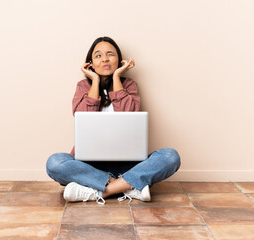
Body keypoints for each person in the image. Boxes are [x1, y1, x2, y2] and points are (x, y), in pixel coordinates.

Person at [46, 36, 180, 205]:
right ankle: (129, 187)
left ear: (119, 60)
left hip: (128, 164)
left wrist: (117, 77)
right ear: (90, 63)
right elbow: (83, 116)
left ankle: (98, 191)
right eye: (98, 55)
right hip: (88, 166)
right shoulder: (83, 86)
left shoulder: (129, 85)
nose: (105, 59)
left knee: (170, 156)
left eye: (110, 54)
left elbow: (128, 115)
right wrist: (94, 80)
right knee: (54, 163)